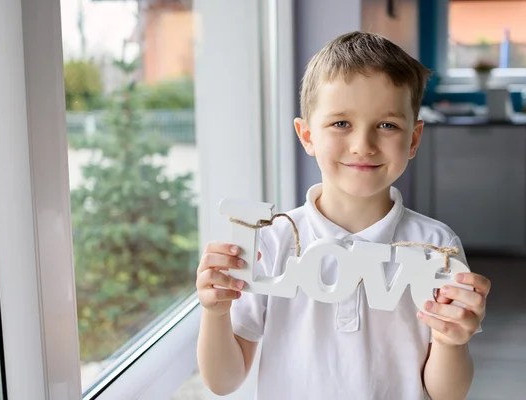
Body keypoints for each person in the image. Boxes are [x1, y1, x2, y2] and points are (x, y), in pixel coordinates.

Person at [195, 31, 491, 400]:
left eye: (387, 125)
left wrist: (450, 340)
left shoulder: (436, 247)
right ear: (307, 136)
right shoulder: (269, 243)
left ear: (413, 140)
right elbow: (223, 381)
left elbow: (448, 394)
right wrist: (215, 312)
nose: (362, 146)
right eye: (340, 124)